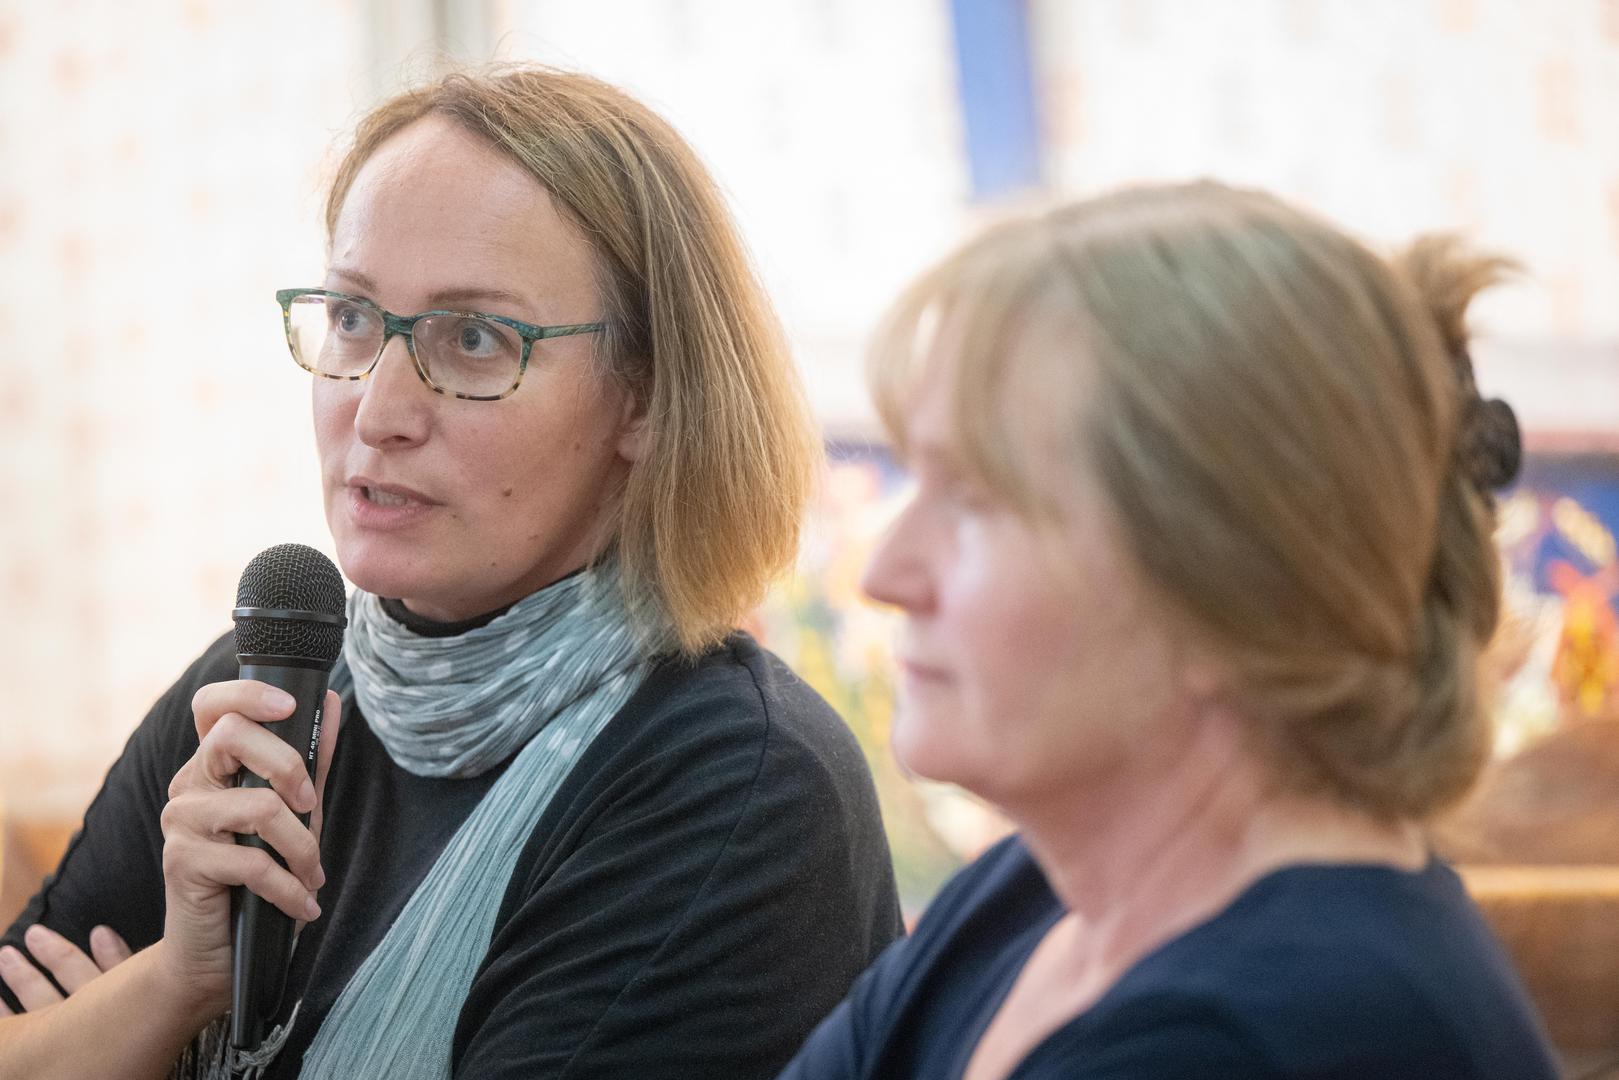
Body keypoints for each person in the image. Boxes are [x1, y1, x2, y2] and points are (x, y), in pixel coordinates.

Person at [0, 65, 902, 1080]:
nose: (378, 409)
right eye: (351, 317)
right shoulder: (261, 690)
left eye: (473, 339)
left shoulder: (732, 787)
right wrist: (173, 985)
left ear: (647, 399)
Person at [778, 181, 1560, 1079]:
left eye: (975, 500)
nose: (884, 574)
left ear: (1234, 584)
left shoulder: (1279, 1037)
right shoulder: (1030, 900)